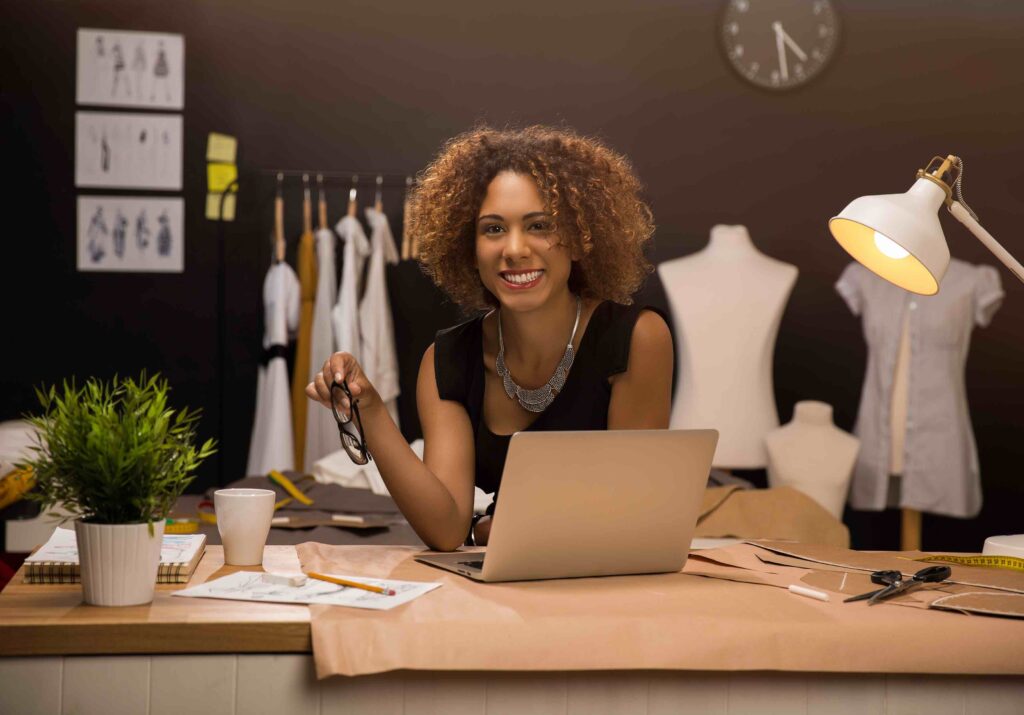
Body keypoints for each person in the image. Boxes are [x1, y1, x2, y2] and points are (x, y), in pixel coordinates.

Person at [306, 125, 673, 551]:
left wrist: (488, 528)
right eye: (493, 229)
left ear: (578, 240)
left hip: (605, 590)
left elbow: (631, 516)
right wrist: (368, 409)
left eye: (539, 226)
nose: (514, 249)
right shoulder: (448, 360)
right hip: (501, 593)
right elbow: (444, 530)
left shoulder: (636, 340)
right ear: (470, 247)